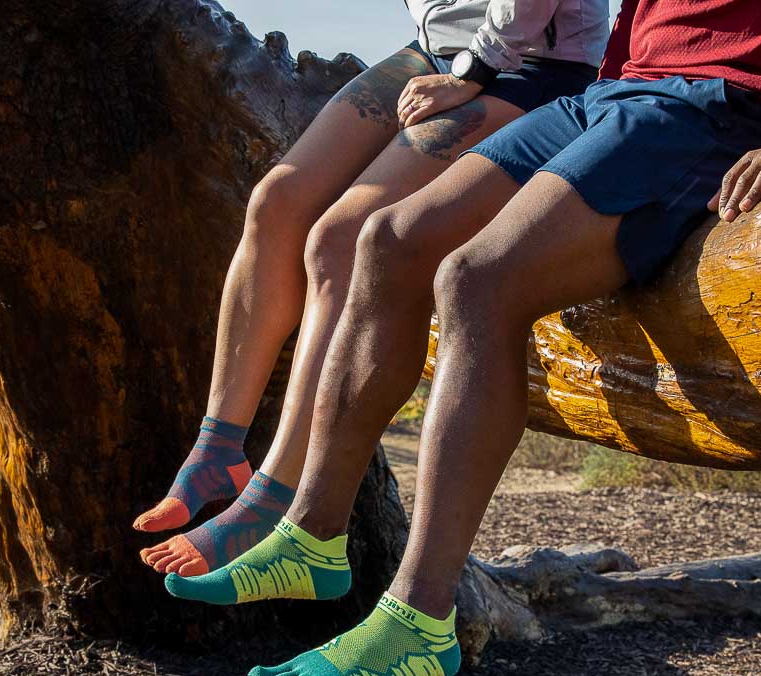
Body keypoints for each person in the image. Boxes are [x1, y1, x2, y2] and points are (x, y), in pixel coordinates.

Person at [166, 0, 761, 676]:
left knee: (475, 278)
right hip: (612, 95)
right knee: (386, 241)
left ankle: (419, 617)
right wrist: (606, 84)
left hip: (716, 112)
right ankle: (311, 537)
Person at [134, 0, 610, 577]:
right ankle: (217, 448)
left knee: (338, 239)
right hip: (433, 52)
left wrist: (473, 72)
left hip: (529, 65)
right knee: (276, 203)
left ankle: (273, 494)